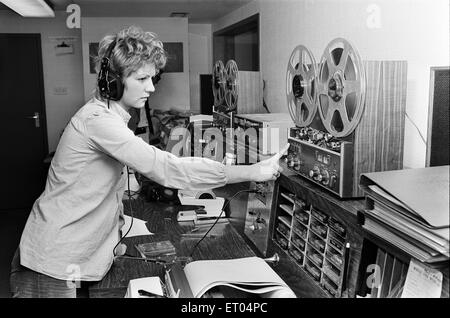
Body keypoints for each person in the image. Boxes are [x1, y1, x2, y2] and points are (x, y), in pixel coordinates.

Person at [9, 25, 288, 298]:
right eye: (142, 79)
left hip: (76, 254)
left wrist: (111, 239)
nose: (151, 87)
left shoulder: (110, 118)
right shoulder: (98, 121)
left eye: (153, 78)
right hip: (52, 260)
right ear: (113, 82)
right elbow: (167, 169)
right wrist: (255, 170)